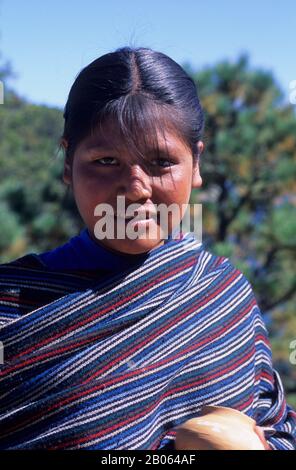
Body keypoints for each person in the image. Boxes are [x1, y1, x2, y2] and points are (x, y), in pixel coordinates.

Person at [0, 46, 295, 450]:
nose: (136, 187)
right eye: (106, 160)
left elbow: (277, 428)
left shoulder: (220, 293)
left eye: (160, 162)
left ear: (196, 164)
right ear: (68, 165)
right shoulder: (11, 310)